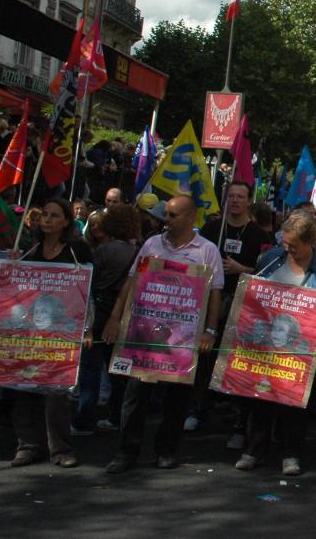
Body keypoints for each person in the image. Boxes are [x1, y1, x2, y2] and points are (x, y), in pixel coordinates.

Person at [102, 194, 225, 474]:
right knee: (135, 396)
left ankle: (166, 450)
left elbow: (214, 294)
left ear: (191, 218)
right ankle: (126, 452)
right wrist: (114, 318)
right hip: (144, 336)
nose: (166, 220)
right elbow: (131, 284)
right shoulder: (151, 245)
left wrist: (210, 331)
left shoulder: (206, 251)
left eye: (172, 215)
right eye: (166, 215)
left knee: (177, 398)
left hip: (183, 340)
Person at [234, 211, 316, 477]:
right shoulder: (270, 260)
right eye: (285, 243)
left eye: (294, 245)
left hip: (299, 349)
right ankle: (253, 449)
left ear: (310, 241)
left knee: (294, 403)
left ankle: (291, 454)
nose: (287, 248)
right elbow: (252, 295)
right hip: (266, 344)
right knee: (260, 399)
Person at [9, 197, 93, 469]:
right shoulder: (30, 249)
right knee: (23, 389)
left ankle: (60, 449)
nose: (47, 219)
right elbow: (15, 292)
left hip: (61, 334)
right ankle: (28, 446)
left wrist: (88, 328)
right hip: (30, 334)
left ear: (67, 221)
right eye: (44, 214)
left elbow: (86, 293)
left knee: (57, 394)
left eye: (54, 215)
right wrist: (11, 267)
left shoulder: (77, 251)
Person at [191, 180, 271, 438]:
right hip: (210, 300)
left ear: (249, 202)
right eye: (231, 196)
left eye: (240, 196)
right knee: (204, 357)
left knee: (238, 359)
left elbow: (267, 273)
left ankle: (239, 418)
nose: (235, 200)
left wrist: (242, 270)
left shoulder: (260, 236)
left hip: (242, 304)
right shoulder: (211, 228)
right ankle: (197, 409)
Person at [74, 204, 139, 435]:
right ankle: (116, 417)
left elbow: (90, 282)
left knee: (91, 369)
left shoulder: (104, 250)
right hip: (125, 314)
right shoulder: (138, 252)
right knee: (119, 370)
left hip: (101, 311)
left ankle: (84, 420)